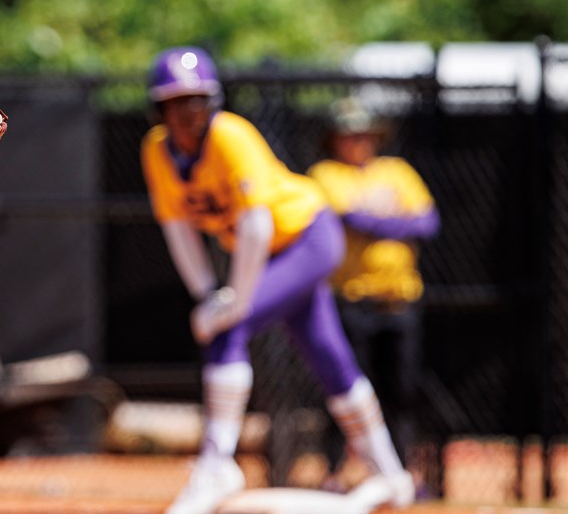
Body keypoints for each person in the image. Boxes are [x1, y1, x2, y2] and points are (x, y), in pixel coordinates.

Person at [139, 47, 415, 514]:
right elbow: (177, 226)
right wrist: (206, 293)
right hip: (272, 252)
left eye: (196, 100)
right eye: (176, 101)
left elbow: (257, 225)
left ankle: (217, 465)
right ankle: (391, 473)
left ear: (212, 101)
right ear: (159, 108)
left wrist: (232, 302)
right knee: (329, 356)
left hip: (308, 235)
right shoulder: (156, 150)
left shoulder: (231, 136)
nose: (188, 112)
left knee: (229, 328)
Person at [307, 97, 440, 493]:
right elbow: (350, 217)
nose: (357, 141)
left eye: (364, 134)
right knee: (343, 391)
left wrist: (377, 225)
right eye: (349, 134)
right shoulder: (325, 173)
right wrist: (398, 222)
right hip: (350, 301)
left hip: (399, 301)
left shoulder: (397, 171)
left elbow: (428, 221)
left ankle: (398, 475)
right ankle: (335, 474)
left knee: (400, 392)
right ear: (334, 139)